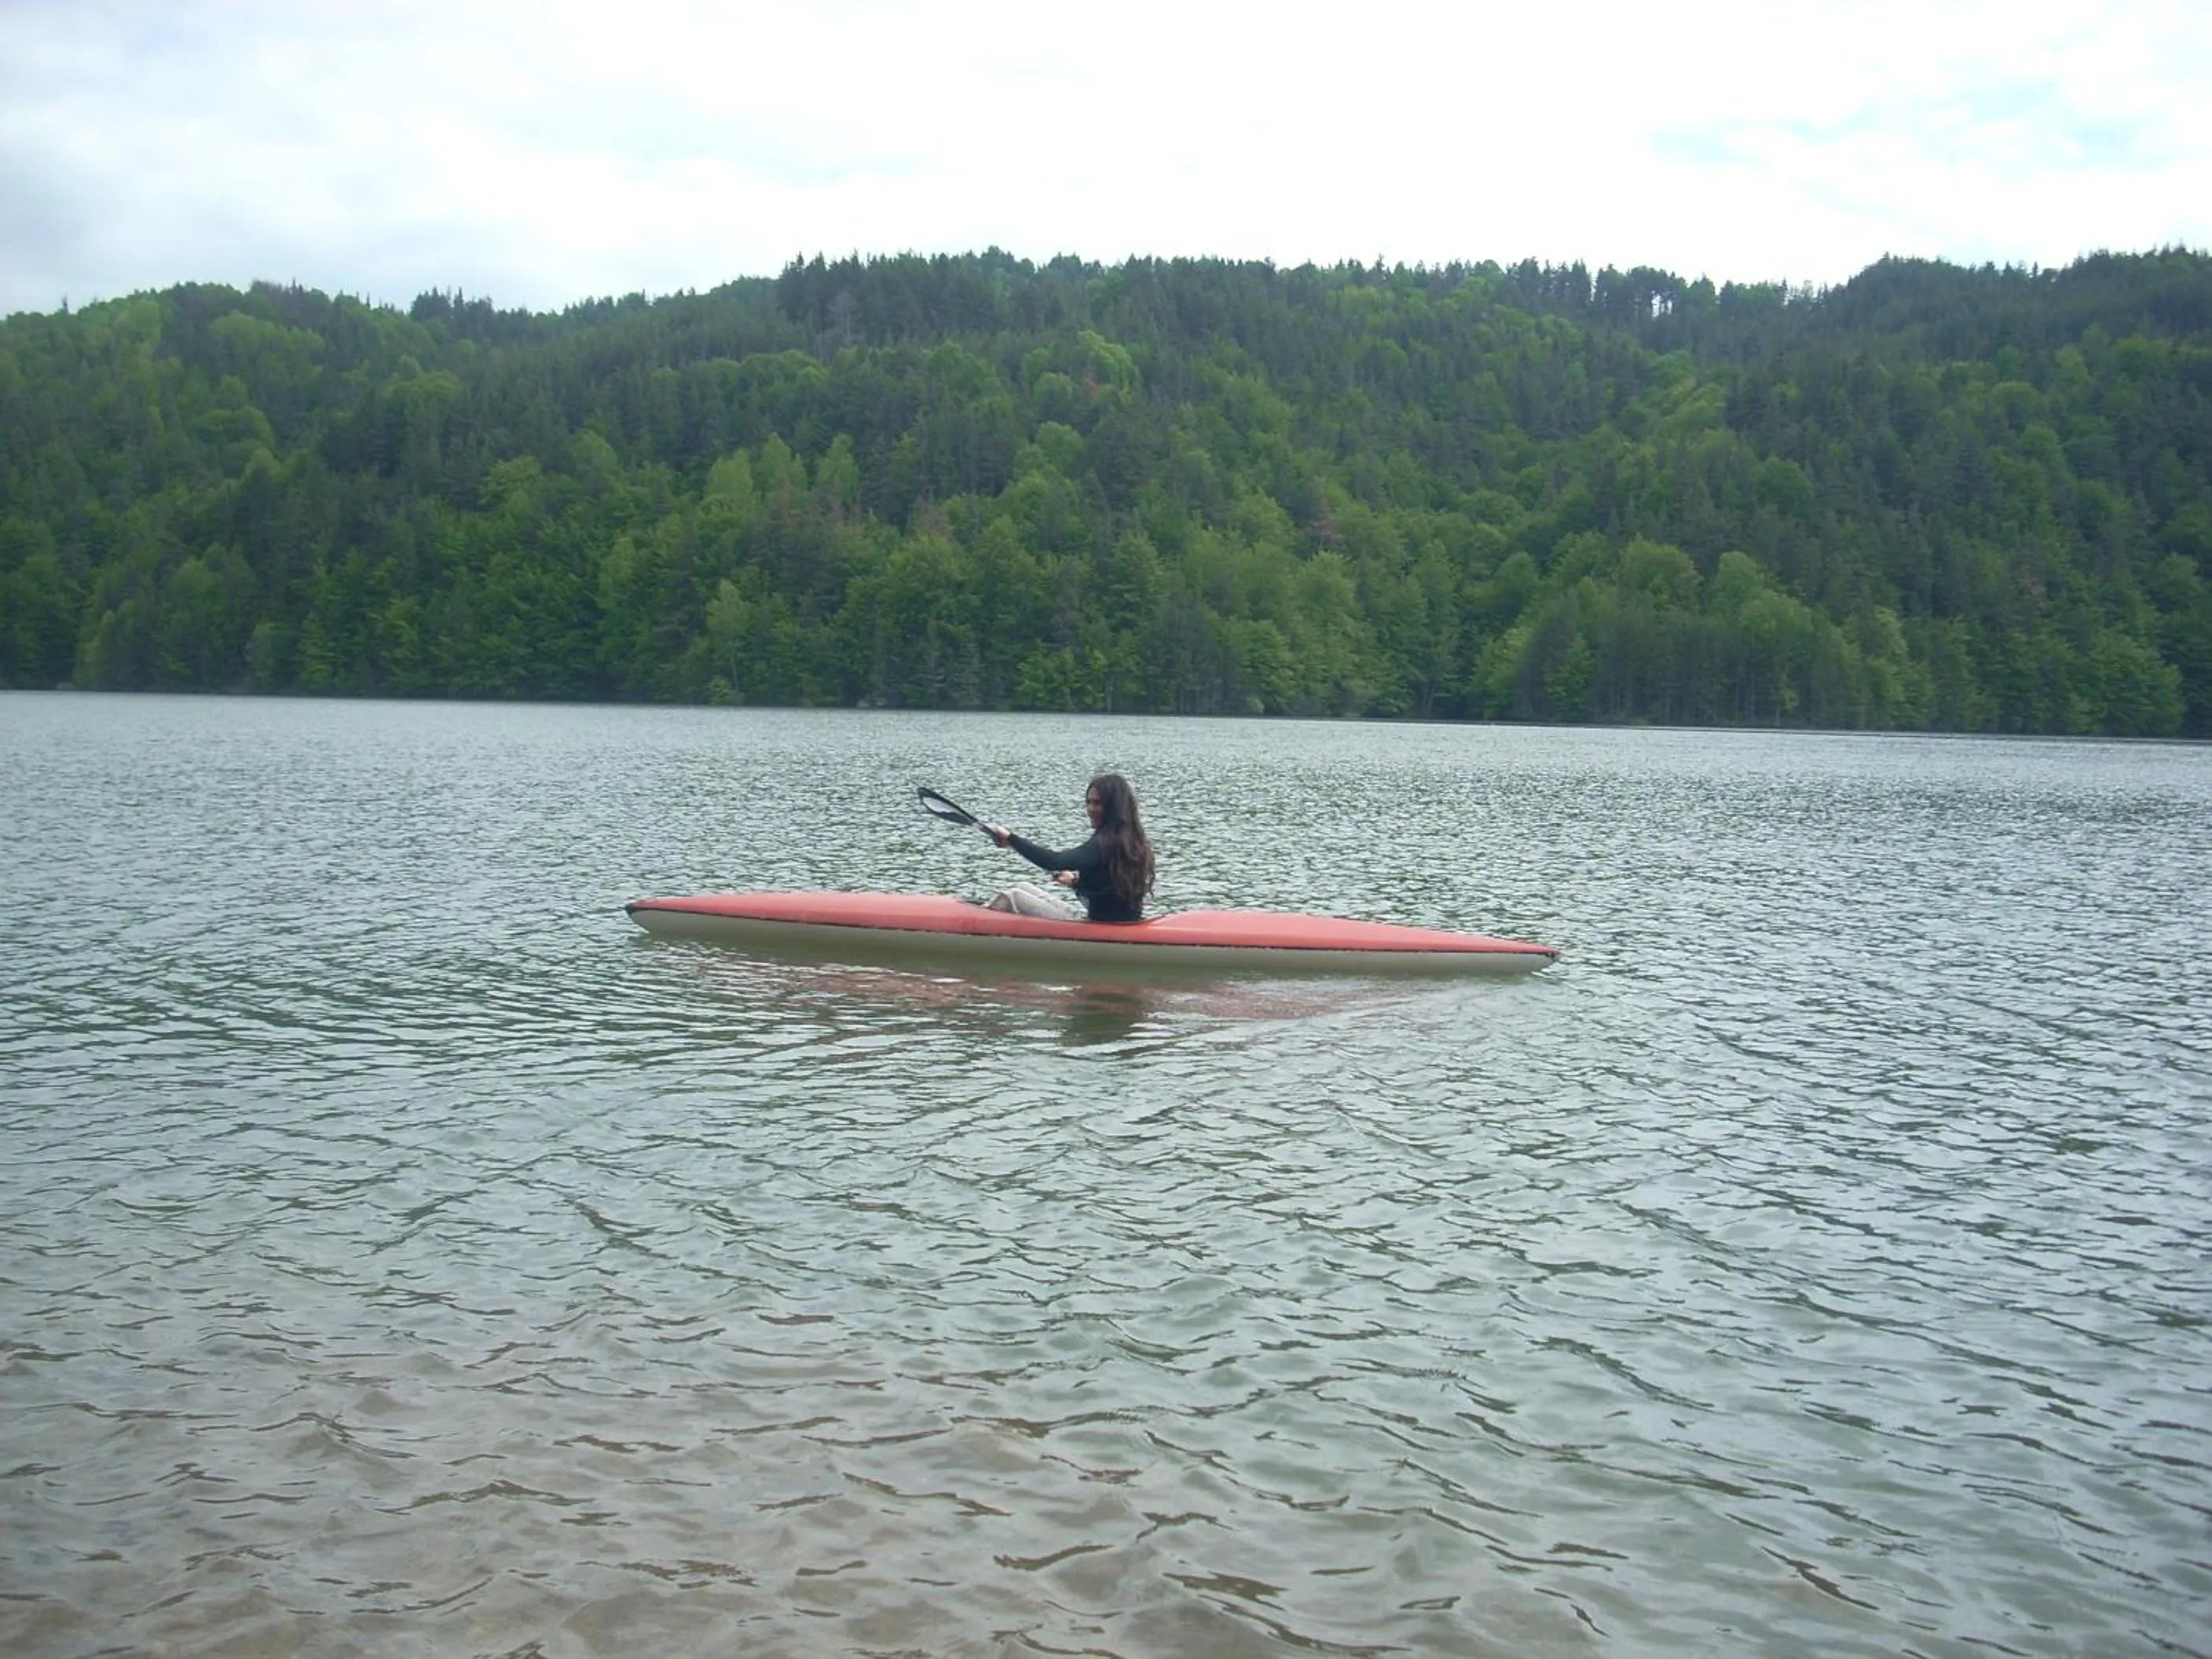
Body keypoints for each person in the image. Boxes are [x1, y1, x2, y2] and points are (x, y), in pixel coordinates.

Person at [985, 773, 1155, 924]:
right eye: (1088, 802)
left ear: (1114, 807)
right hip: (1112, 921)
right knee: (1023, 886)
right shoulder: (1131, 839)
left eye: (1097, 803)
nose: (1090, 809)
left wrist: (1011, 839)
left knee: (1012, 897)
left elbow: (1053, 861)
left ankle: (969, 927)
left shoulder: (1104, 843)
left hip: (1098, 927)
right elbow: (1109, 892)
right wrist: (1075, 882)